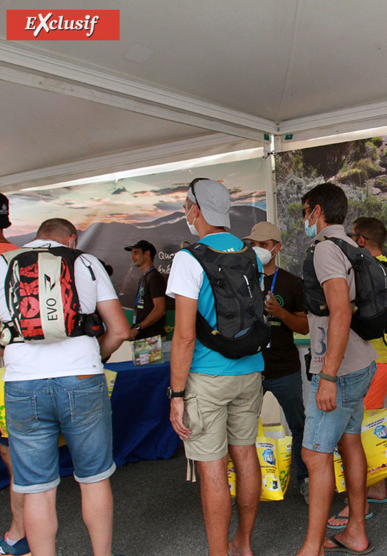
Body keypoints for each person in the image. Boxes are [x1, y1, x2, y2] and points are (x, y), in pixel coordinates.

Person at [0, 218, 128, 556]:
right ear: (72, 239)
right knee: (93, 478)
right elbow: (120, 330)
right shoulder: (85, 261)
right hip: (82, 377)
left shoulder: (0, 266)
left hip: (23, 383)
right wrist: (96, 355)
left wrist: (8, 351)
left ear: (36, 237)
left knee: (37, 487)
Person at [166, 178, 264, 556]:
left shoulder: (189, 259)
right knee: (245, 454)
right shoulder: (251, 254)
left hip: (207, 378)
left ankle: (218, 553)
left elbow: (185, 337)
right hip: (250, 370)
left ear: (195, 210)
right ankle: (243, 543)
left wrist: (177, 395)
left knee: (212, 466)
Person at [297, 183, 377, 556]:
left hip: (337, 369)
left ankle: (313, 548)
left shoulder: (326, 249)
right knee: (349, 443)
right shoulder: (351, 246)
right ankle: (355, 531)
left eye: (305, 212)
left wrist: (326, 376)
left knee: (315, 455)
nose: (304, 220)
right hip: (360, 360)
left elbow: (340, 310)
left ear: (316, 211)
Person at [326, 216, 387, 529]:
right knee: (366, 426)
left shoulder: (368, 268)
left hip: (374, 357)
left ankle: (364, 499)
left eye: (351, 237)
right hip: (381, 356)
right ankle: (375, 488)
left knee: (360, 431)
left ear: (363, 240)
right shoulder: (385, 269)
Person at [243, 221, 311, 503]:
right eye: (252, 245)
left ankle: (304, 478)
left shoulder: (292, 283)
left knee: (299, 425)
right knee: (242, 428)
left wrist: (280, 313)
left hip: (284, 368)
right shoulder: (241, 280)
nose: (256, 249)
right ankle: (246, 484)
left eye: (262, 244)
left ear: (276, 247)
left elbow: (305, 326)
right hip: (248, 368)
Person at [0, 192, 28, 556]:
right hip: (9, 373)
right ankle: (19, 533)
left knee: (15, 454)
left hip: (1, 371)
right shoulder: (18, 257)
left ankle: (21, 534)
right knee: (16, 454)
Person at [124, 239, 167, 341]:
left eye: (135, 253)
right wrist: (134, 327)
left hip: (153, 338)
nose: (132, 257)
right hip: (143, 337)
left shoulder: (154, 277)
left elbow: (159, 309)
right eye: (132, 253)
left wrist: (138, 327)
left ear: (147, 253)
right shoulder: (144, 277)